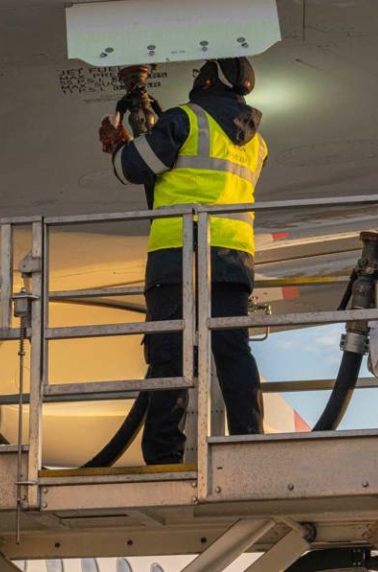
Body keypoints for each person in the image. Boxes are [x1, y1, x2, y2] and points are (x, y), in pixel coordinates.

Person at [99, 58, 267, 465]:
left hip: (178, 255)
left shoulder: (186, 119)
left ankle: (163, 454)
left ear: (208, 80)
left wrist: (117, 145)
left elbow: (133, 168)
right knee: (233, 352)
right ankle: (251, 445)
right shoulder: (256, 141)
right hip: (232, 259)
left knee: (170, 354)